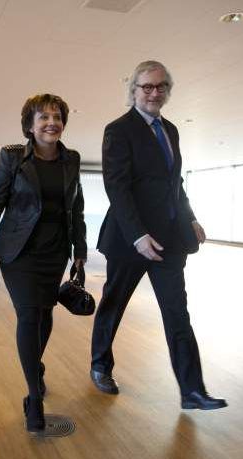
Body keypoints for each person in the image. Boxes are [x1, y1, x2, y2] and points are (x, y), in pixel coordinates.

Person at [90, 60, 227, 411]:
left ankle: (192, 391)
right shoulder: (118, 130)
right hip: (129, 240)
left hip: (169, 240)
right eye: (146, 86)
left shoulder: (172, 130)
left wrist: (191, 217)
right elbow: (117, 187)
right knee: (113, 305)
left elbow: (174, 183)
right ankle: (100, 365)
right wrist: (138, 235)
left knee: (177, 313)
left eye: (160, 86)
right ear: (133, 90)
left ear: (167, 90)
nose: (154, 92)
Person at [0, 94, 86, 433]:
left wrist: (80, 249)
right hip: (18, 252)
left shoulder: (71, 159)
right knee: (30, 314)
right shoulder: (13, 157)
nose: (52, 122)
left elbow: (75, 208)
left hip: (55, 252)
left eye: (57, 116)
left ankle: (35, 367)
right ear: (30, 125)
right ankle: (33, 397)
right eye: (44, 117)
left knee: (46, 313)